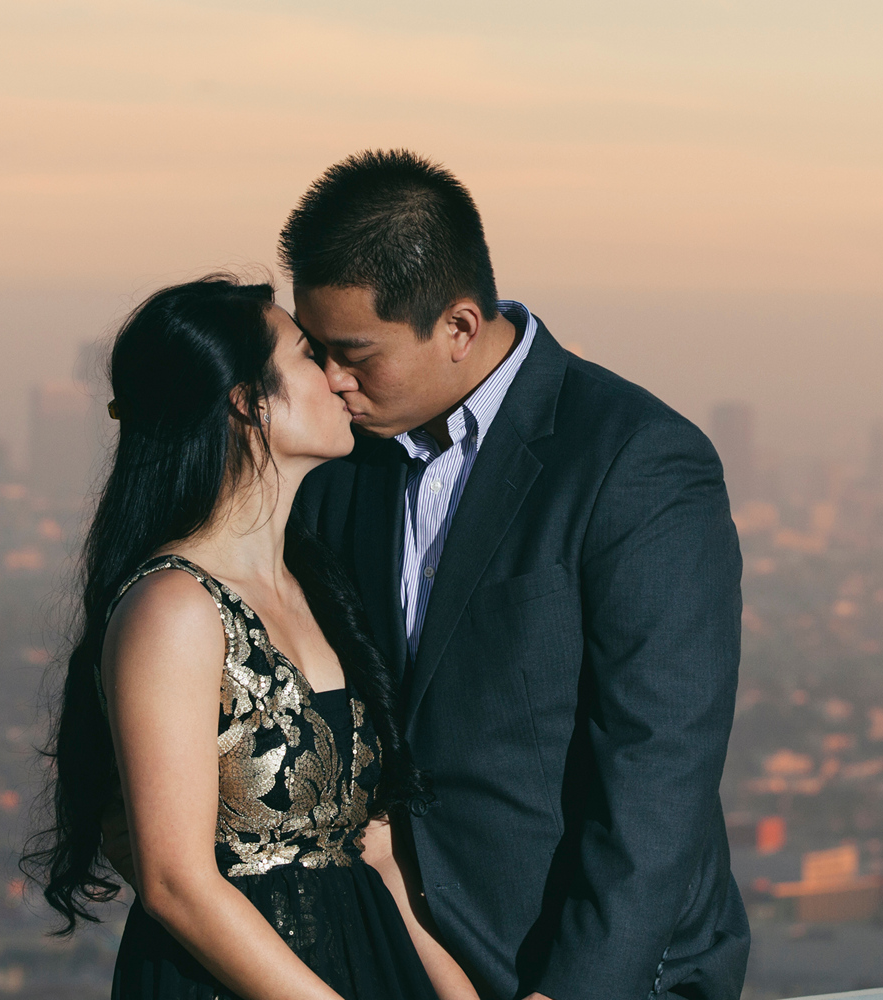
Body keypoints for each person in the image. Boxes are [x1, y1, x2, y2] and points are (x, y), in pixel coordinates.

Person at [283, 150, 750, 1000]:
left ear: (459, 326)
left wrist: (580, 988)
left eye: (355, 354)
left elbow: (660, 763)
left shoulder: (634, 461)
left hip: (582, 960)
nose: (332, 381)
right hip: (402, 954)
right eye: (315, 349)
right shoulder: (345, 462)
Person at [24, 276, 479, 999]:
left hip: (370, 963)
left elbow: (375, 851)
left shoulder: (326, 591)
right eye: (308, 354)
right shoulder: (172, 609)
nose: (338, 377)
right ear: (247, 401)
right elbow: (175, 883)